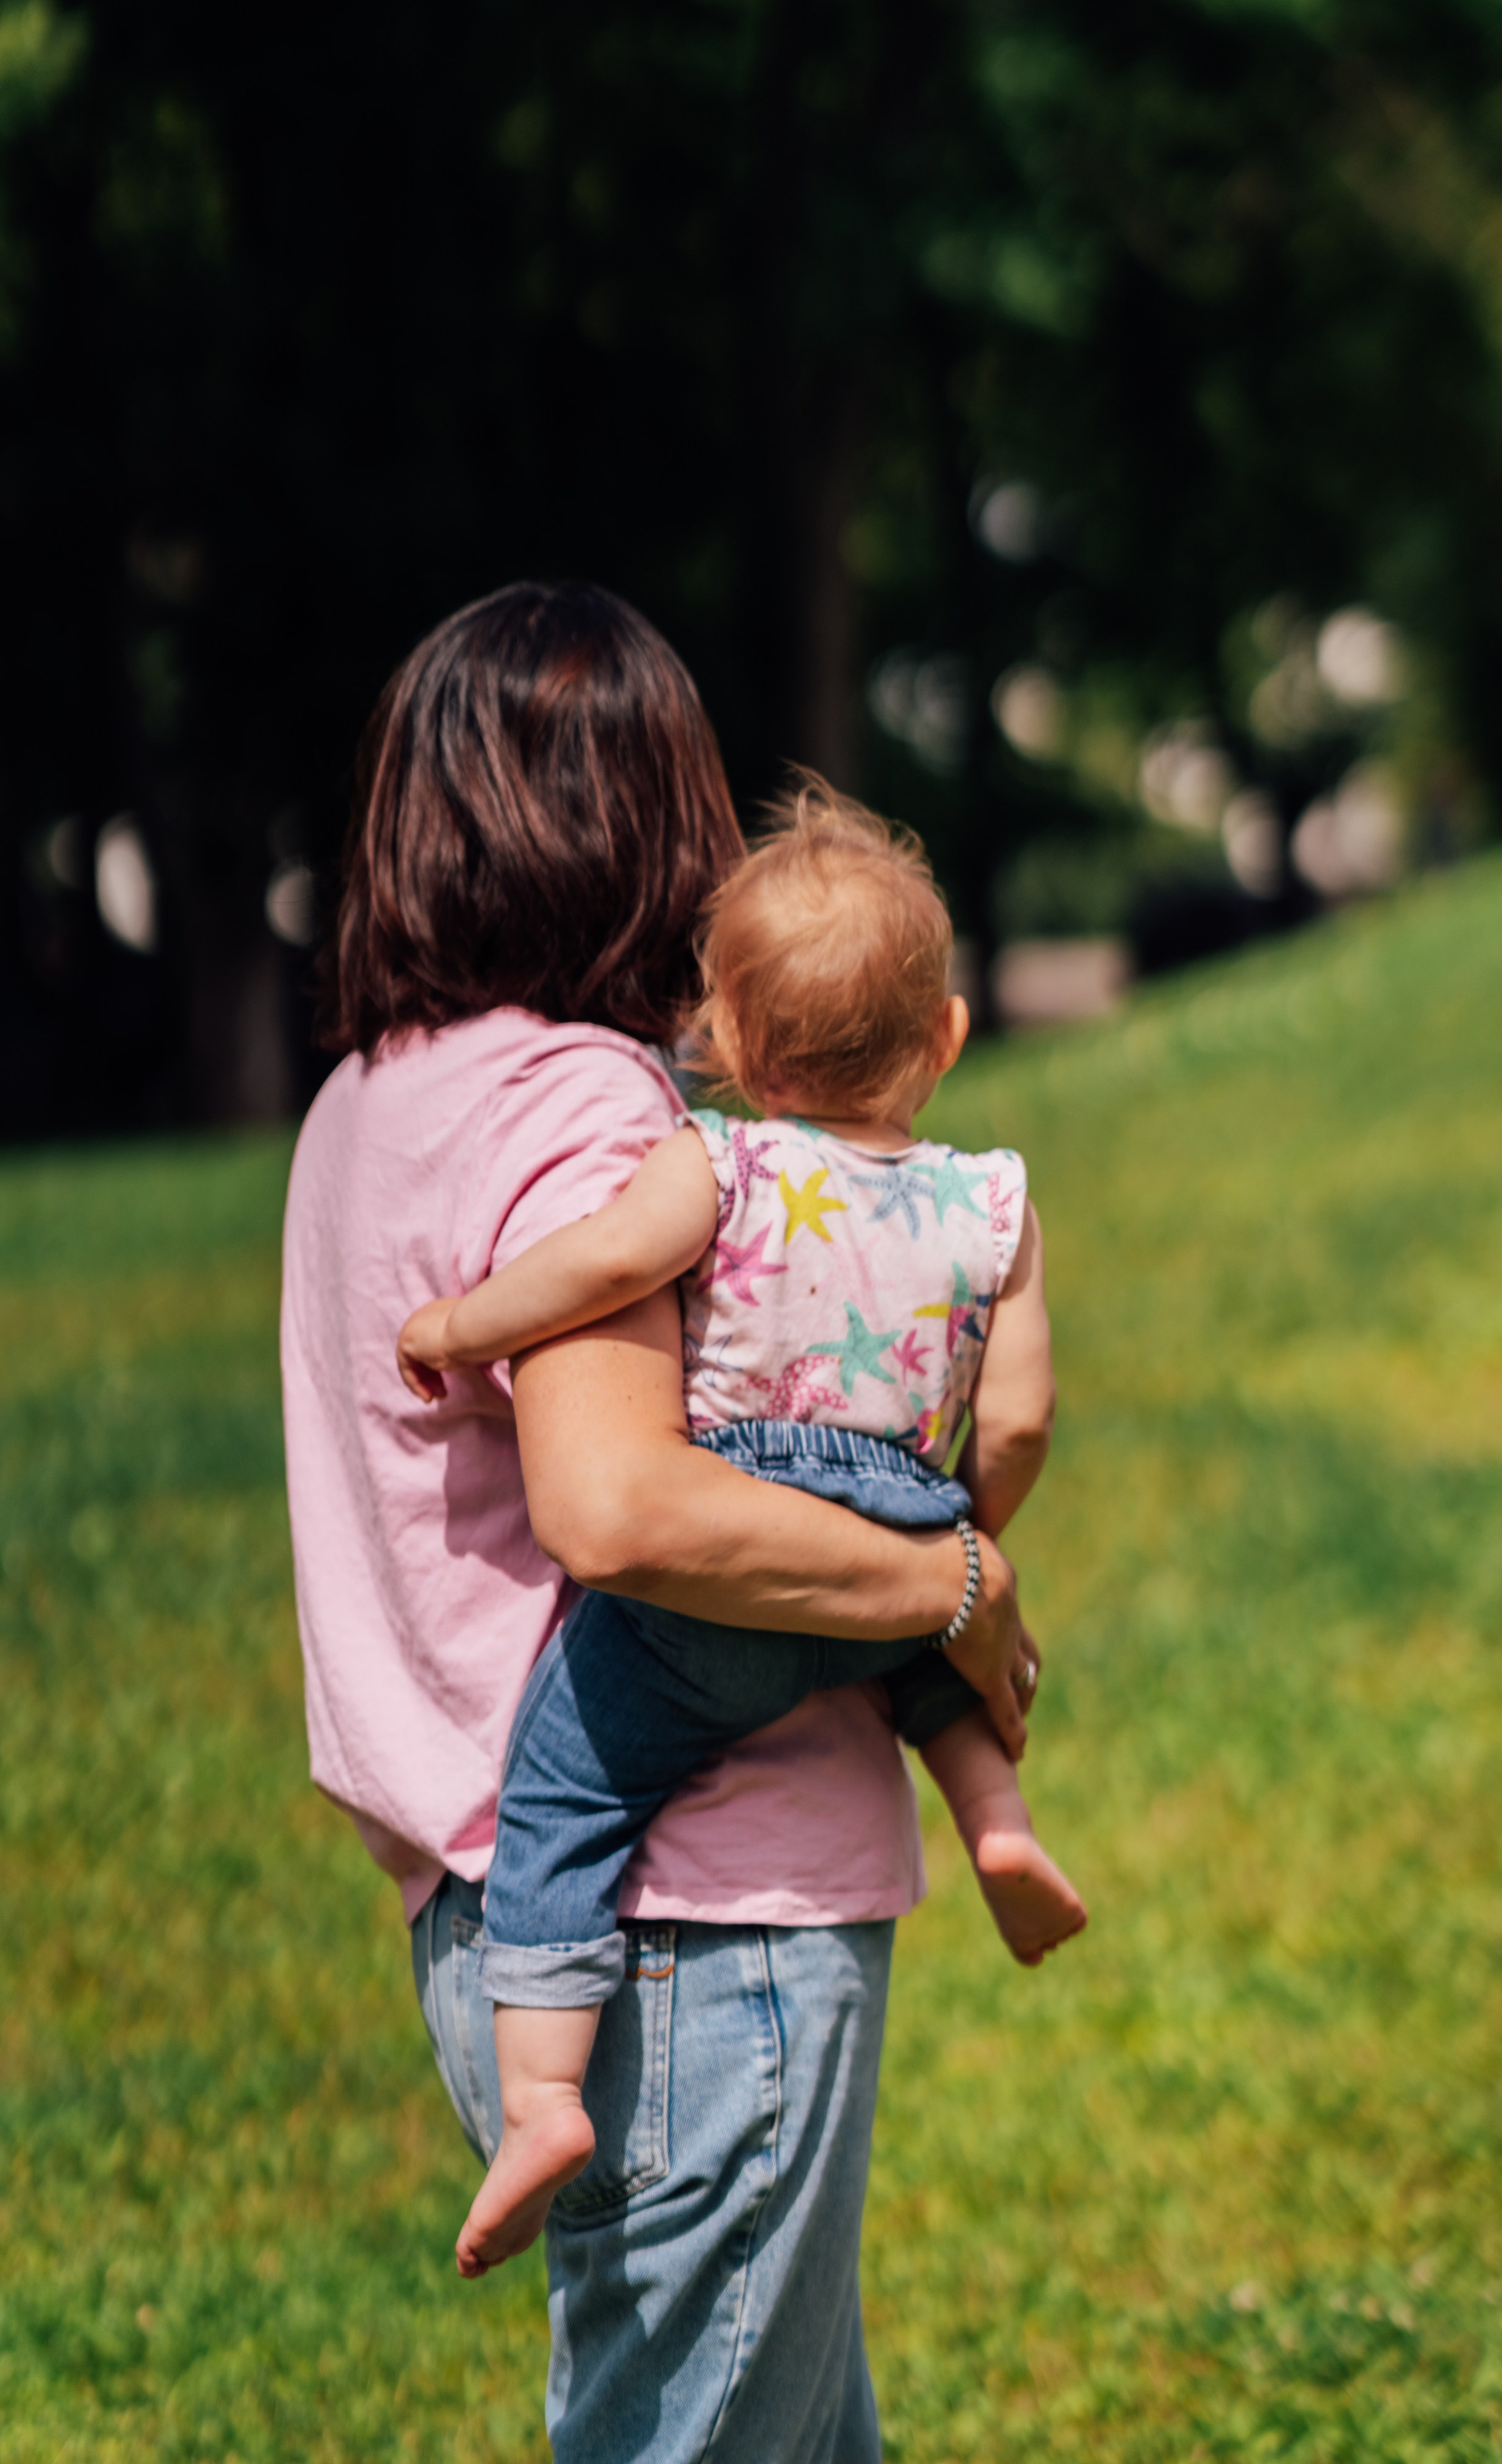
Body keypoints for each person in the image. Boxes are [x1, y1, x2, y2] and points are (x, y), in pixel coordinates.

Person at [279, 582, 1041, 2464]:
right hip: (699, 1929)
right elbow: (616, 1503)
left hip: (507, 1923)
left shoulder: (363, 1110)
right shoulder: (600, 1115)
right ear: (648, 823)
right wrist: (943, 1577)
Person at [396, 785, 1087, 2277]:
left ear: (719, 1037)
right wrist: (965, 1524)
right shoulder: (992, 1202)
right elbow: (1021, 1418)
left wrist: (462, 1320)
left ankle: (540, 2101)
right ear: (948, 1036)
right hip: (896, 1514)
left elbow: (590, 1267)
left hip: (734, 1545)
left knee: (567, 1788)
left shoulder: (719, 1165)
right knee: (925, 1677)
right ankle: (1002, 1829)